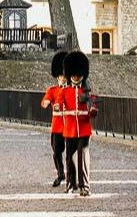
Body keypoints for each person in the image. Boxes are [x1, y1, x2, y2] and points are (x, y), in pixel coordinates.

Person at [60, 50, 99, 196]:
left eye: (78, 74)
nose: (76, 76)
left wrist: (93, 110)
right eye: (74, 74)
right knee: (70, 157)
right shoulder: (65, 91)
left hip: (83, 128)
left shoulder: (87, 91)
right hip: (70, 128)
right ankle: (71, 183)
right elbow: (59, 102)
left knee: (83, 155)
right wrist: (58, 107)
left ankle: (85, 185)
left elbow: (93, 105)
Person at [39, 50, 68, 187]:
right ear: (57, 76)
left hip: (69, 125)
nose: (62, 77)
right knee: (56, 152)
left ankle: (72, 176)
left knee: (70, 154)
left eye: (64, 75)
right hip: (57, 126)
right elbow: (46, 99)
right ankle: (60, 174)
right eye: (60, 75)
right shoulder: (52, 90)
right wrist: (46, 103)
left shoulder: (70, 90)